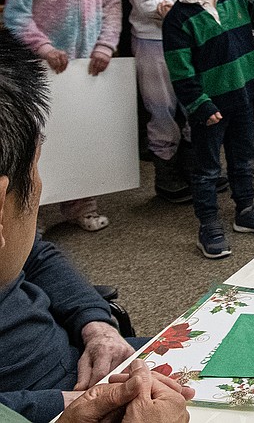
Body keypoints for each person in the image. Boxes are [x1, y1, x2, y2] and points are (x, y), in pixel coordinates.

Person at [0, 28, 194, 423]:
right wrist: (71, 406)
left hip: (85, 366)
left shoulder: (12, 250)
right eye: (35, 169)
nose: (38, 188)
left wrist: (95, 323)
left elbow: (34, 253)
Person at [4, 0, 121, 232]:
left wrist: (104, 46)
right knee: (42, 136)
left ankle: (81, 203)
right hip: (45, 65)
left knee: (83, 132)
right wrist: (44, 48)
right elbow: (16, 12)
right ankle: (31, 213)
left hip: (89, 65)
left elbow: (111, 5)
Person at [160, 0, 254, 259]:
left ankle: (246, 209)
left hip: (244, 92)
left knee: (243, 158)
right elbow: (181, 71)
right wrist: (200, 104)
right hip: (210, 105)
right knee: (207, 168)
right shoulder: (177, 20)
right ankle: (209, 223)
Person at [120, 0, 190, 203]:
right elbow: (145, 2)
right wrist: (169, 7)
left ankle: (192, 165)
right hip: (153, 39)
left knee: (189, 100)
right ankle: (167, 173)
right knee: (161, 106)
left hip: (185, 36)